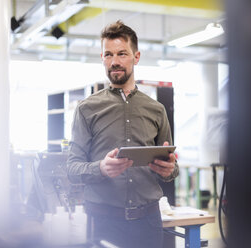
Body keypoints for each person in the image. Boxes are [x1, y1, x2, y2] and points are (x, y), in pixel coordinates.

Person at [67, 20, 179, 248]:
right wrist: (100, 168)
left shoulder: (156, 109)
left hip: (148, 222)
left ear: (136, 57)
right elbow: (72, 168)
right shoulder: (86, 109)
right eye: (108, 55)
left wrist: (169, 170)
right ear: (102, 58)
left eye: (122, 54)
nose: (114, 62)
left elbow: (172, 167)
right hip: (102, 221)